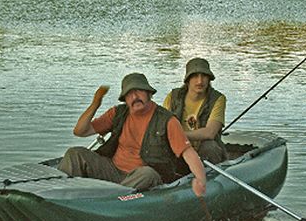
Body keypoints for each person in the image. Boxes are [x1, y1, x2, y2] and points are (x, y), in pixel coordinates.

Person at [58, 73, 206, 196]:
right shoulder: (118, 113)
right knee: (74, 153)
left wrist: (200, 180)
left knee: (147, 173)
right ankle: (57, 195)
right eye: (129, 94)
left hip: (142, 177)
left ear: (149, 93)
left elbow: (188, 153)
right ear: (125, 99)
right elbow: (80, 131)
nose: (134, 96)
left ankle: (108, 201)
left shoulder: (167, 120)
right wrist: (96, 103)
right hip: (112, 170)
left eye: (139, 91)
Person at [163, 58, 228, 165]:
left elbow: (210, 132)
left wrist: (179, 135)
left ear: (209, 79)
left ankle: (209, 177)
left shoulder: (218, 99)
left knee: (210, 147)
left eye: (204, 76)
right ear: (188, 79)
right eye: (195, 76)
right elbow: (163, 126)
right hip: (179, 147)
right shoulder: (173, 97)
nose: (200, 81)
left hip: (203, 149)